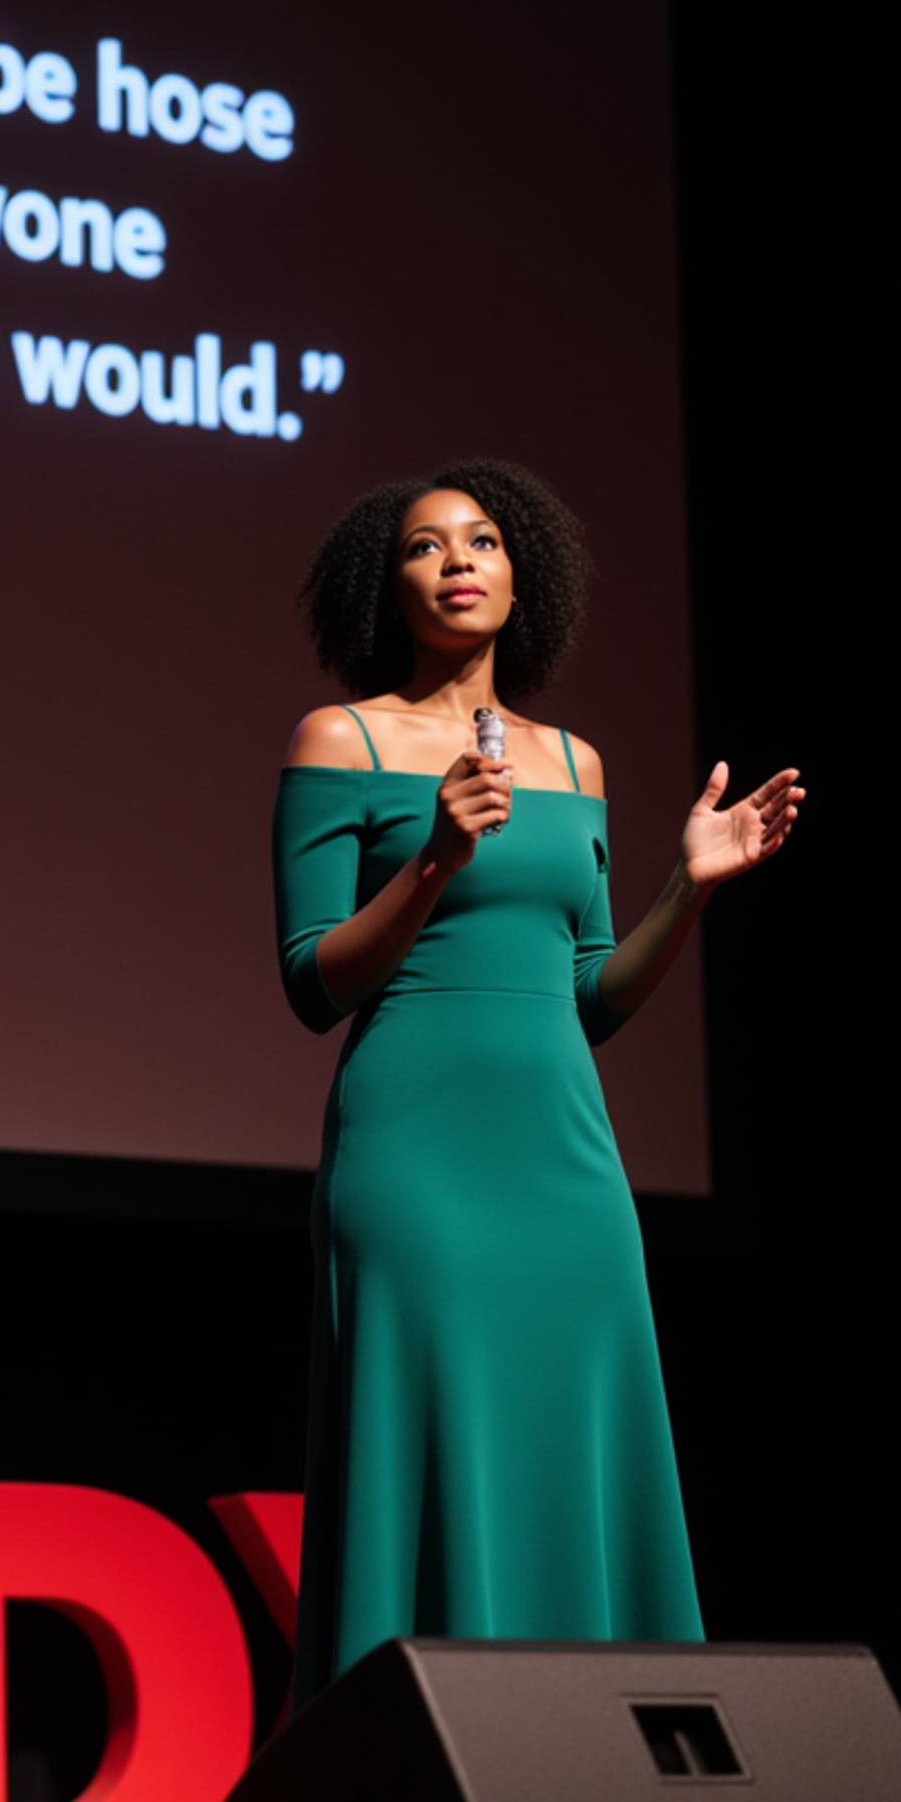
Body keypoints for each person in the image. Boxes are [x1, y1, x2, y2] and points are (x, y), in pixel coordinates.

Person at [273, 457, 803, 1715]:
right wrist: (435, 860)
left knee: (574, 1454)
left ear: (523, 577)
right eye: (422, 545)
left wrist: (688, 888)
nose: (457, 559)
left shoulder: (575, 763)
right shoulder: (339, 740)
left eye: (484, 540)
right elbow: (310, 984)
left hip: (566, 1167)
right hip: (413, 1159)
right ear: (381, 586)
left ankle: (603, 1780)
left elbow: (591, 997)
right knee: (433, 1448)